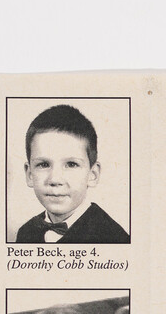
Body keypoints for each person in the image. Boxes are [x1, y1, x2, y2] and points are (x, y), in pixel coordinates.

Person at [12, 104, 130, 245]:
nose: (55, 179)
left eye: (71, 164)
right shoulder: (26, 232)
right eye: (43, 164)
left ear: (93, 174)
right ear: (29, 174)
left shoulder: (114, 238)